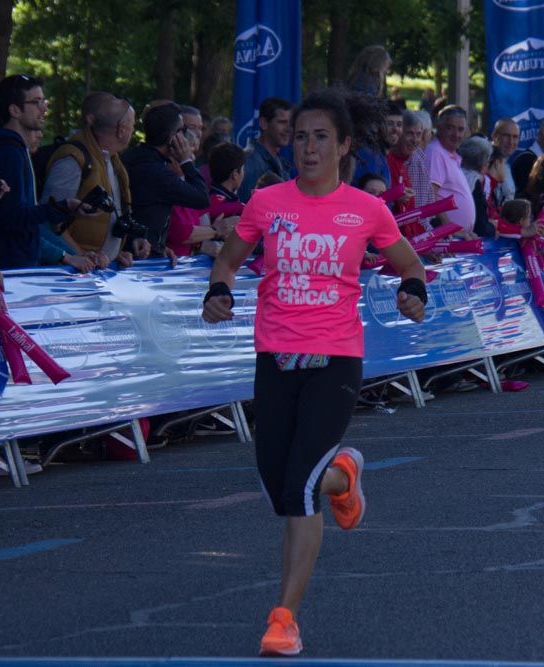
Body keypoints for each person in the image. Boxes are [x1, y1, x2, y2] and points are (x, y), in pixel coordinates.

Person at [201, 89, 426, 657]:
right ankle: (344, 475)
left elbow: (408, 262)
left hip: (336, 359)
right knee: (279, 485)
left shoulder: (366, 210)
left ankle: (284, 619)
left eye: (321, 136)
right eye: (300, 136)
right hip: (275, 356)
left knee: (298, 487)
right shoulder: (268, 202)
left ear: (344, 145)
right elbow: (228, 258)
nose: (308, 147)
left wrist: (413, 290)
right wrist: (218, 290)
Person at [0, 74, 89, 269]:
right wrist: (59, 208)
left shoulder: (13, 148)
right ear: (15, 110)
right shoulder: (7, 152)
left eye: (44, 101)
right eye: (36, 102)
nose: (44, 108)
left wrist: (65, 205)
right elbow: (13, 217)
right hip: (10, 267)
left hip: (14, 262)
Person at [42, 92, 142, 267]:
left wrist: (114, 253)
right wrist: (81, 256)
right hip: (70, 277)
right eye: (132, 125)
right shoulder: (73, 160)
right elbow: (50, 220)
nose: (133, 131)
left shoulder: (111, 159)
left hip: (94, 271)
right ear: (121, 130)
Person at [122, 101, 209, 257]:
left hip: (142, 249)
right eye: (183, 130)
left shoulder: (132, 157)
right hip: (140, 259)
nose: (187, 136)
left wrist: (161, 247)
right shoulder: (158, 173)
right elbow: (201, 198)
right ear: (172, 137)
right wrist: (186, 161)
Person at [425, 106, 476, 235]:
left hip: (458, 237)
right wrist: (450, 229)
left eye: (460, 129)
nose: (456, 134)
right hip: (445, 238)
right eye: (450, 128)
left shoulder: (449, 154)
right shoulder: (435, 152)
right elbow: (430, 196)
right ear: (439, 127)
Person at [237, 97, 292, 201]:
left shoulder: (281, 162)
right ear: (264, 123)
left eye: (290, 123)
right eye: (282, 122)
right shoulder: (248, 162)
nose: (288, 129)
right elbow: (245, 208)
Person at [457, 136, 495, 238]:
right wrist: (493, 227)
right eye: (488, 159)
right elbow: (481, 227)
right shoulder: (474, 182)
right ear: (483, 162)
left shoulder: (457, 173)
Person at [490, 118, 520, 205]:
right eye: (506, 136)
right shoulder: (486, 163)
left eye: (515, 137)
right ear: (494, 136)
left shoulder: (506, 165)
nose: (511, 142)